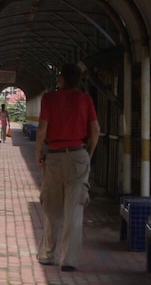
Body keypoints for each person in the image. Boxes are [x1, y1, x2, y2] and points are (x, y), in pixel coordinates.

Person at [36, 63, 99, 272]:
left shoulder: (49, 98)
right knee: (74, 210)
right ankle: (69, 259)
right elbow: (95, 130)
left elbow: (42, 128)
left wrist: (38, 152)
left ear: (61, 79)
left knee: (51, 207)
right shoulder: (85, 99)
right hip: (78, 155)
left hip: (54, 156)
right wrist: (88, 154)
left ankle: (47, 254)